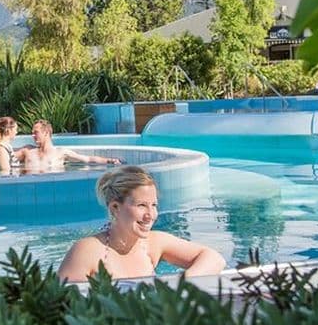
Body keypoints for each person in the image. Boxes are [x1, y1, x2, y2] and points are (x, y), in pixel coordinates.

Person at [58, 165, 225, 282]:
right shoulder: (87, 251)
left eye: (154, 205)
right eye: (141, 205)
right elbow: (61, 306)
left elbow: (215, 259)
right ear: (115, 208)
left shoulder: (153, 243)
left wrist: (181, 285)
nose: (150, 215)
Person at [23, 119, 121, 172]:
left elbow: (87, 159)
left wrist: (109, 160)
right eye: (32, 133)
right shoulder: (28, 152)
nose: (33, 135)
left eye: (36, 132)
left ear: (46, 133)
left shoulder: (60, 152)